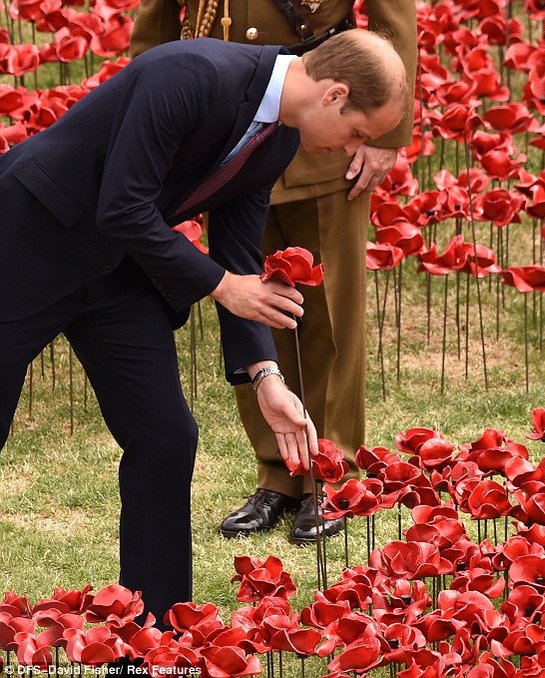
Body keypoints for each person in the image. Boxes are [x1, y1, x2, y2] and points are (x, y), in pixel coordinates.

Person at [0, 31, 407, 624]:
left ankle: (153, 639)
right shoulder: (188, 73)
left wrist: (266, 377)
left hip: (116, 270)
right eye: (358, 133)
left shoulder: (279, 134)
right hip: (23, 243)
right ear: (334, 95)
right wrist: (221, 285)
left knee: (166, 436)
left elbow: (238, 251)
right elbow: (124, 205)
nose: (352, 149)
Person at [130, 0, 417, 545]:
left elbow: (393, 13)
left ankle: (329, 471)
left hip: (326, 112)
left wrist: (385, 132)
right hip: (229, 121)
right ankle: (277, 473)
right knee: (251, 301)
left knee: (329, 314)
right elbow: (158, 20)